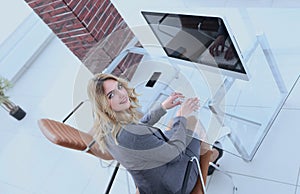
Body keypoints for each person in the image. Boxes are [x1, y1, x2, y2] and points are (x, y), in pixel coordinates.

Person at [87, 73, 222, 194]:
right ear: (103, 104)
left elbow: (137, 131)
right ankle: (212, 157)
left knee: (179, 123)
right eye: (111, 95)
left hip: (151, 183)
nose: (122, 94)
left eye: (119, 87)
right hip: (175, 186)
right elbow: (175, 155)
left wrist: (163, 107)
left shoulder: (104, 128)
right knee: (193, 123)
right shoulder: (131, 136)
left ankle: (209, 157)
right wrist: (182, 117)